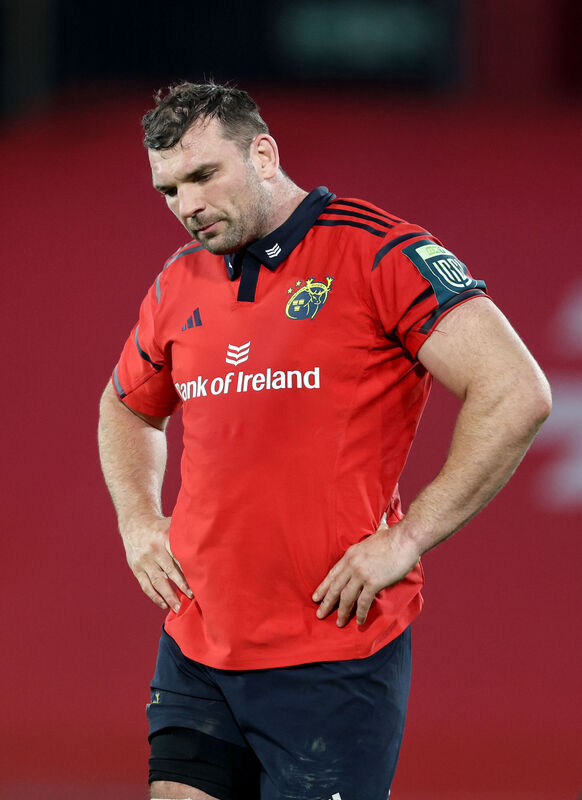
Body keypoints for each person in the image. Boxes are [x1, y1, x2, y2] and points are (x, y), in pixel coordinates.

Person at [97, 82, 551, 800]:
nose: (188, 205)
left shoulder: (379, 251)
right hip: (197, 643)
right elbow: (125, 408)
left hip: (334, 654)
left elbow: (516, 390)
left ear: (263, 155)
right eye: (170, 190)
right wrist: (136, 519)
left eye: (204, 175)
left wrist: (408, 540)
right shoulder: (179, 281)